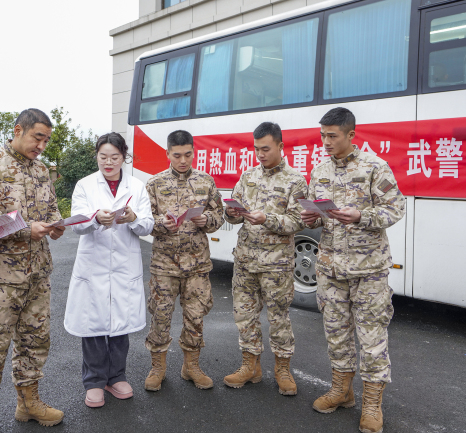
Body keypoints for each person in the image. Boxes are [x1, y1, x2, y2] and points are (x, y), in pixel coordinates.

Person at [301, 107, 405, 433]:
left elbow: (395, 208)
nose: (326, 141)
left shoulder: (375, 167)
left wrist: (362, 216)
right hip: (331, 269)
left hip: (369, 270)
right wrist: (312, 218)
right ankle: (341, 391)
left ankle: (372, 404)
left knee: (372, 338)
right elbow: (318, 213)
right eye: (322, 135)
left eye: (332, 136)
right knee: (336, 334)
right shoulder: (319, 171)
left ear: (350, 135)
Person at [0, 108, 66, 431]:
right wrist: (26, 230)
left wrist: (57, 224)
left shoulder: (39, 170)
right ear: (18, 130)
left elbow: (50, 208)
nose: (42, 145)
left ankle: (28, 403)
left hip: (37, 273)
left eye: (47, 140)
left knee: (35, 341)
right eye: (38, 137)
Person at [64, 132, 154, 408]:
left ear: (123, 157)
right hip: (94, 265)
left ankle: (116, 376)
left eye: (114, 157)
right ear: (97, 157)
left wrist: (133, 217)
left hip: (124, 266)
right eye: (103, 157)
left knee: (120, 325)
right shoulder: (85, 185)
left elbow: (148, 224)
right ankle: (94, 381)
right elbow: (77, 223)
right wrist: (95, 219)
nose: (108, 162)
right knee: (93, 324)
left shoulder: (137, 186)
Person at [223, 122, 307, 395]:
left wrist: (267, 218)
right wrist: (232, 214)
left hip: (277, 264)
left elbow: (298, 221)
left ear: (281, 146)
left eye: (266, 149)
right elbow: (232, 211)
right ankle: (250, 366)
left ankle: (282, 369)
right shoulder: (247, 177)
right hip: (246, 260)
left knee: (279, 317)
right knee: (244, 315)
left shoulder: (295, 181)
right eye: (257, 148)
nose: (260, 154)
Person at [143, 130, 224, 391]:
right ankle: (158, 367)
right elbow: (144, 222)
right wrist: (161, 224)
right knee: (161, 316)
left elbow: (219, 215)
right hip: (165, 265)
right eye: (177, 155)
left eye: (188, 154)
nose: (183, 160)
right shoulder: (154, 184)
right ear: (167, 154)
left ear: (193, 152)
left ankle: (191, 366)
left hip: (197, 265)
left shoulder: (205, 181)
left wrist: (207, 220)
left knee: (195, 316)